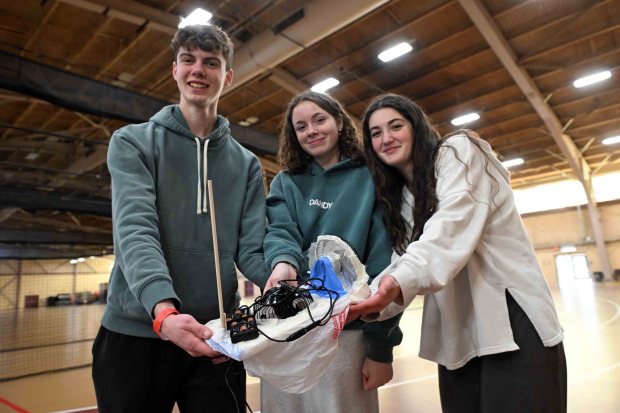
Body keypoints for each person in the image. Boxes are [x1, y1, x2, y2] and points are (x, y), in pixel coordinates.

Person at [349, 93, 567, 412]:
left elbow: (449, 227)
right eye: (376, 133)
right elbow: (402, 263)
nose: (386, 138)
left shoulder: (459, 152)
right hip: (457, 338)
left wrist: (394, 282)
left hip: (513, 323)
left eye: (396, 125)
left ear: (417, 127)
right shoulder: (401, 199)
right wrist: (358, 302)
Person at [91, 24, 269, 413]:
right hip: (137, 334)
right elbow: (136, 231)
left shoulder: (247, 165)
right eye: (188, 60)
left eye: (210, 62)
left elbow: (253, 251)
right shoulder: (132, 142)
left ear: (228, 76)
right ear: (174, 70)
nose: (198, 70)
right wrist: (163, 312)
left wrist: (286, 279)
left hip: (214, 337)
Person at [261, 91, 402, 413]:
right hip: (289, 330)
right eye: (301, 126)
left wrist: (380, 348)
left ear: (339, 121)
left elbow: (386, 267)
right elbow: (280, 231)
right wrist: (284, 264)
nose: (311, 130)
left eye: (319, 119)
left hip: (347, 334)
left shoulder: (373, 177)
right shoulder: (286, 182)